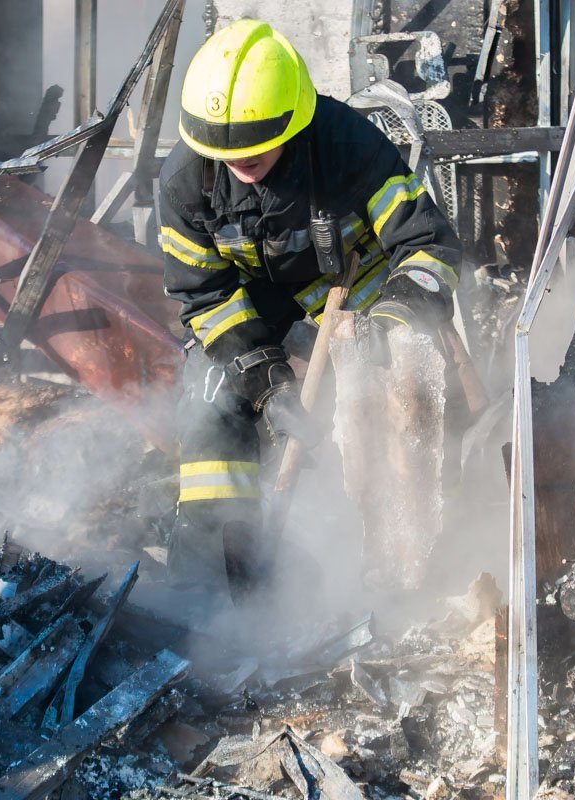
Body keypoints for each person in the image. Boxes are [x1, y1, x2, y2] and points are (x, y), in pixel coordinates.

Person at [159, 18, 462, 598]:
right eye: (223, 149)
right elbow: (206, 297)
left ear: (294, 122)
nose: (240, 159)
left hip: (361, 292)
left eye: (255, 143)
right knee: (209, 394)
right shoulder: (184, 182)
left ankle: (402, 570)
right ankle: (211, 576)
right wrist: (267, 382)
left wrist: (390, 324)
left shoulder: (345, 146)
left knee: (400, 397)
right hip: (258, 305)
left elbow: (428, 246)